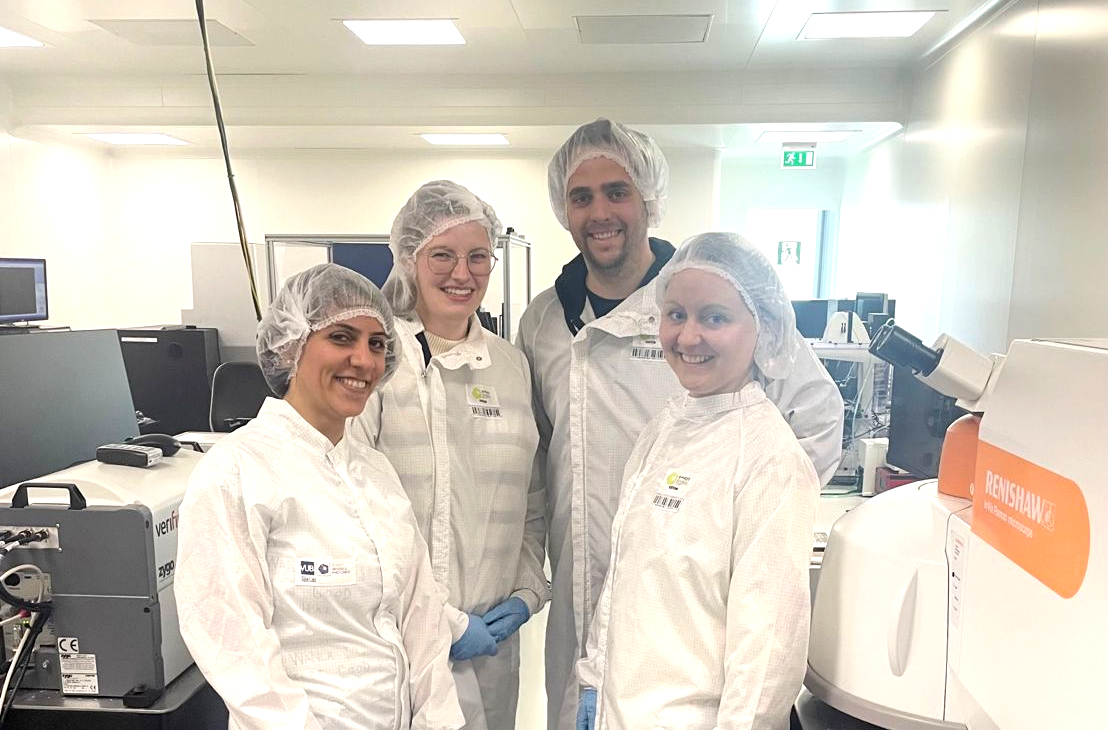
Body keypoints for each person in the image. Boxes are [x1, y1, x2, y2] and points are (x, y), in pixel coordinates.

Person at [515, 119, 844, 730]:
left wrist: (742, 520)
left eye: (617, 192)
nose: (600, 212)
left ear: (648, 200)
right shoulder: (544, 323)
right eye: (582, 196)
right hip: (591, 598)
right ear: (564, 209)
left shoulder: (718, 287)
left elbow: (816, 417)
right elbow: (536, 456)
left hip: (691, 618)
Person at [176, 263, 464, 730]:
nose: (364, 361)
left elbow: (421, 615)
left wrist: (437, 722)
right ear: (290, 346)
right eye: (342, 338)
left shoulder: (376, 471)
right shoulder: (237, 471)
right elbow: (232, 640)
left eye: (377, 344)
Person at [575, 232, 820, 730]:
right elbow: (626, 577)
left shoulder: (769, 458)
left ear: (765, 329)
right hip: (620, 711)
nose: (688, 337)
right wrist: (595, 679)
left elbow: (767, 648)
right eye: (676, 314)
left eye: (714, 318)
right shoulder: (665, 427)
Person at [351, 180, 548, 730]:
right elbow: (349, 509)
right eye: (442, 255)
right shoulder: (375, 361)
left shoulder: (510, 366)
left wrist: (527, 591)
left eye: (478, 257)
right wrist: (441, 621)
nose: (462, 273)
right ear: (408, 258)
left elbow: (531, 499)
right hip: (397, 640)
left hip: (492, 646)